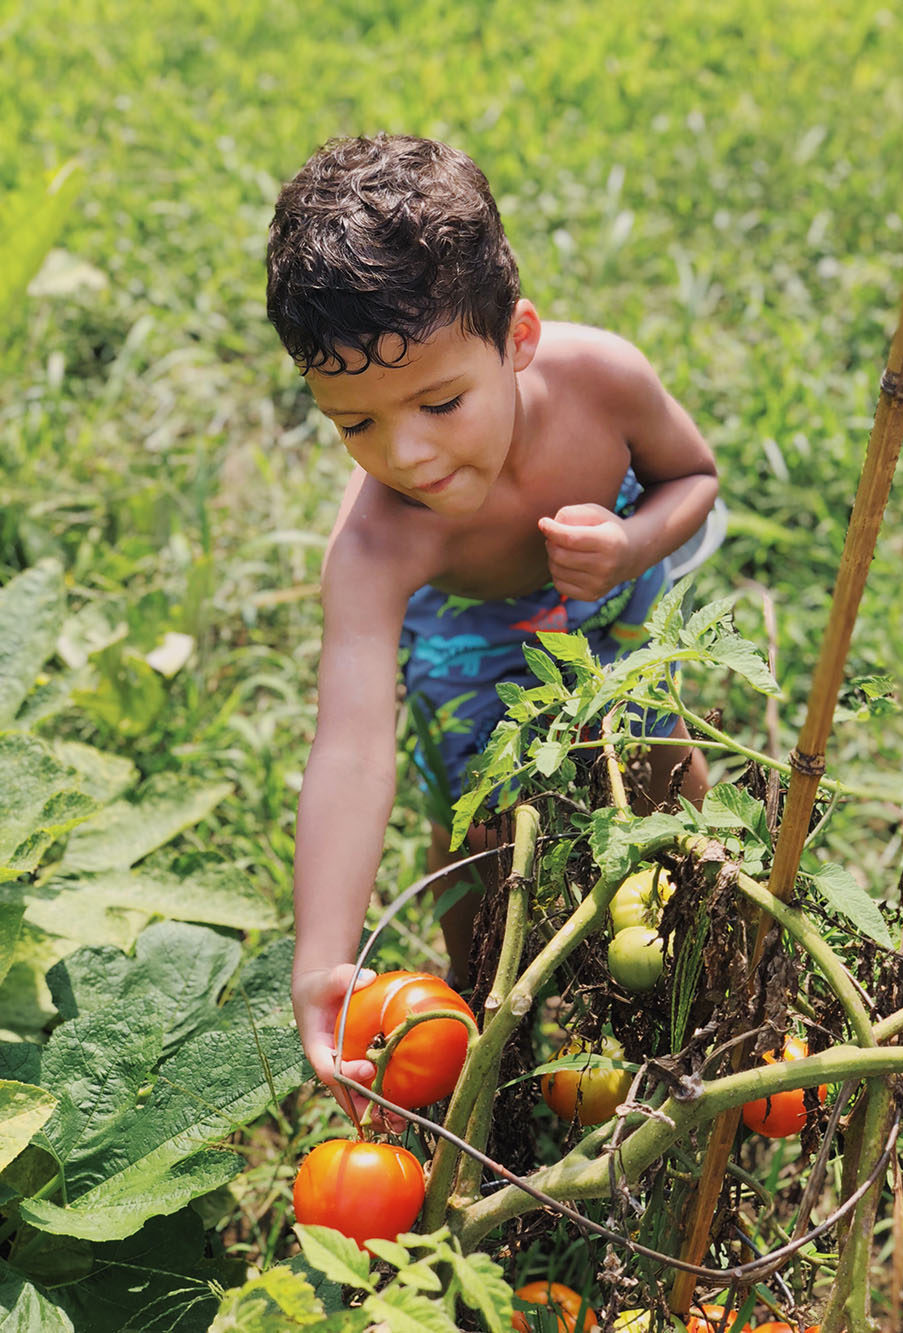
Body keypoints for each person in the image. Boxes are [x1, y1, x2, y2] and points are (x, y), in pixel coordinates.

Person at [266, 133, 719, 1106]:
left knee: (661, 773)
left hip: (611, 604)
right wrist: (322, 961)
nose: (408, 454)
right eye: (357, 424)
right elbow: (350, 749)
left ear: (518, 339)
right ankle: (488, 1026)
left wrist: (634, 544)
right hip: (465, 646)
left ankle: (709, 987)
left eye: (438, 401)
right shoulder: (379, 548)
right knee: (478, 837)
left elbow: (694, 477)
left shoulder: (603, 384)